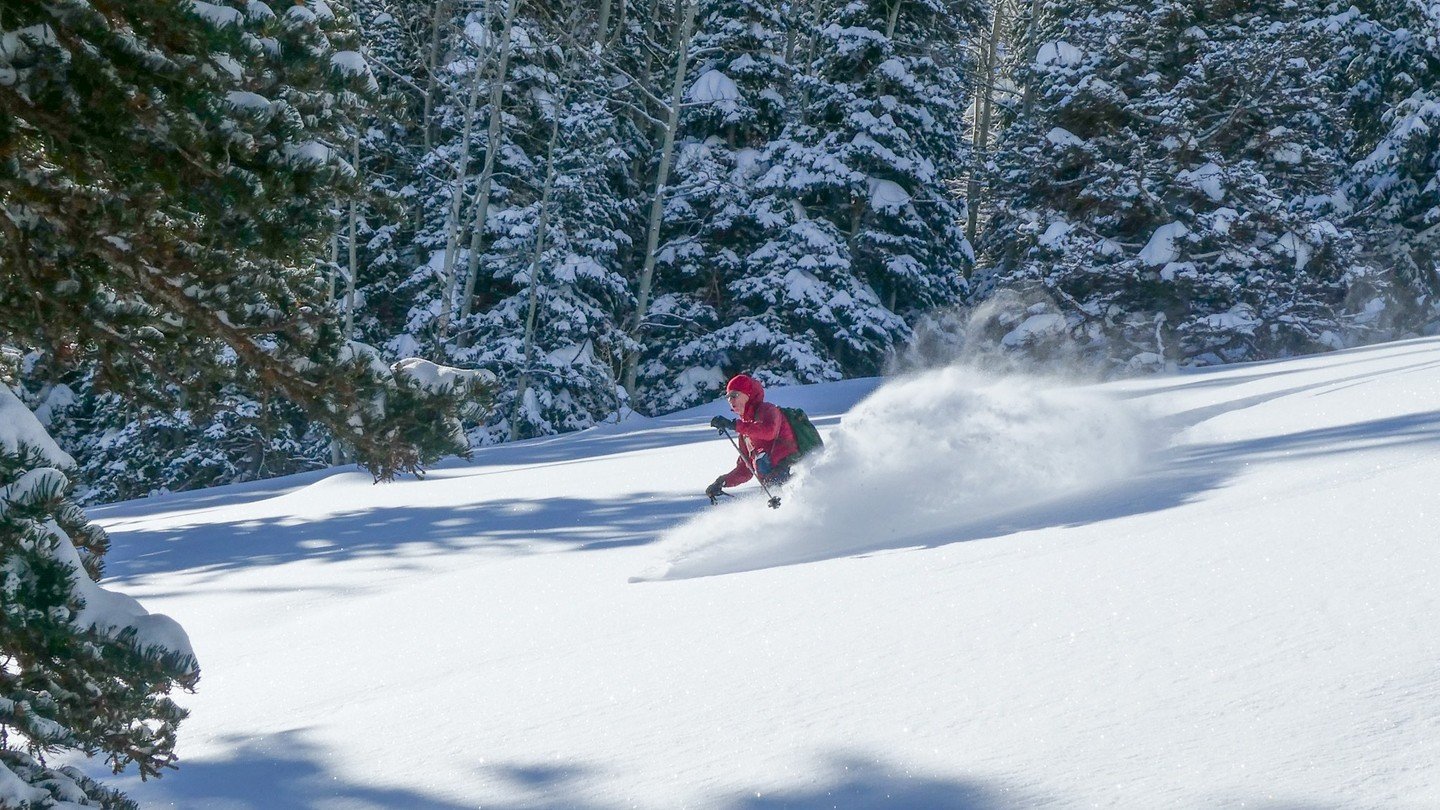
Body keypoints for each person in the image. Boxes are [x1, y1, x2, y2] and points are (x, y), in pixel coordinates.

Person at [705, 374, 798, 502]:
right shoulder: (744, 433)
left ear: (748, 394)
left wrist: (734, 425)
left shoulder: (768, 410)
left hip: (791, 472)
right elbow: (745, 469)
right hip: (771, 483)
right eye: (728, 397)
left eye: (734, 395)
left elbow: (769, 432)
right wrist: (722, 482)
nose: (731, 401)